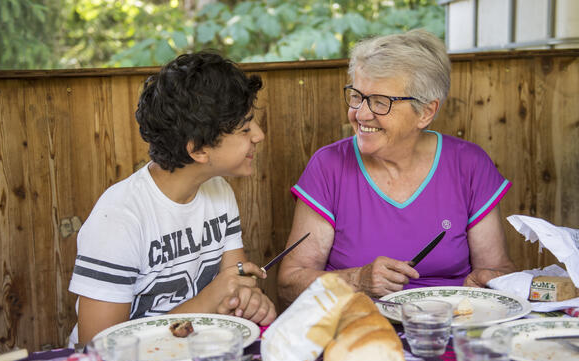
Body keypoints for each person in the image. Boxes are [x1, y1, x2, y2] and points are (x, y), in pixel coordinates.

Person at [277, 30, 517, 305]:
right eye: (357, 96)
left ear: (426, 112)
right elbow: (289, 283)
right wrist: (357, 280)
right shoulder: (329, 165)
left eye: (381, 102)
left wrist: (487, 284)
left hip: (446, 323)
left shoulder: (469, 164)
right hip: (355, 325)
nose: (362, 114)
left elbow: (500, 271)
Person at [68, 51, 276, 345]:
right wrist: (210, 299)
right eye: (244, 128)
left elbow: (233, 287)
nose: (259, 135)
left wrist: (248, 298)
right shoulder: (118, 217)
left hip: (195, 355)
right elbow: (97, 345)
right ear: (199, 151)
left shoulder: (219, 192)